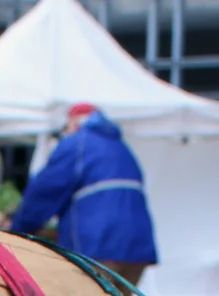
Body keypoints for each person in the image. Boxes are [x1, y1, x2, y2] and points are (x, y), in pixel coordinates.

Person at [9, 104, 157, 284]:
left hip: (98, 245)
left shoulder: (77, 144)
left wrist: (19, 227)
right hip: (138, 248)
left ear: (73, 123)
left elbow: (45, 191)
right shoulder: (121, 148)